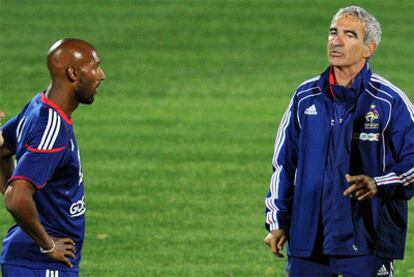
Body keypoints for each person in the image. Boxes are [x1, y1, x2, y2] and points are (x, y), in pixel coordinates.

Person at [264, 6, 414, 277]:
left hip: (367, 240)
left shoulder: (389, 101)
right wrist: (277, 221)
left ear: (369, 48)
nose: (337, 40)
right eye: (333, 32)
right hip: (308, 240)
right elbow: (284, 163)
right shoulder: (305, 96)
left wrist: (378, 184)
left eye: (349, 34)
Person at [0, 38, 105, 276]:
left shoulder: (39, 106)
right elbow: (16, 199)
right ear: (72, 73)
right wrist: (47, 245)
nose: (101, 75)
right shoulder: (53, 129)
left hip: (31, 261)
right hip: (41, 265)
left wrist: (14, 192)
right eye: (95, 67)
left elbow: (1, 148)